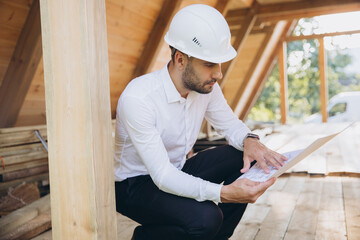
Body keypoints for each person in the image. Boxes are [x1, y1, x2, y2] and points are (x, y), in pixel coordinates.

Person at [114, 4, 287, 240]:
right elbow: (162, 176)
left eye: (219, 64)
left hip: (177, 169)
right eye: (209, 64)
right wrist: (224, 193)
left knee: (242, 156)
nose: (218, 74)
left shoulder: (205, 88)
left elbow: (230, 124)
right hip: (134, 186)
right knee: (207, 218)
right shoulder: (139, 98)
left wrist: (250, 140)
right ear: (180, 59)